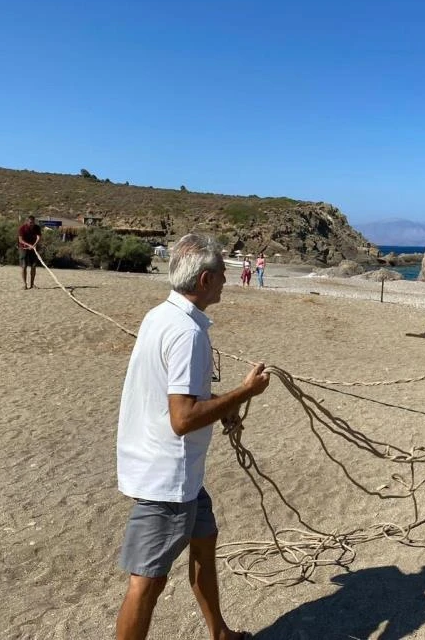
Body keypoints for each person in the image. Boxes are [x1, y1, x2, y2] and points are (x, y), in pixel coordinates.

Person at [115, 233, 271, 639]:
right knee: (147, 583)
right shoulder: (188, 333)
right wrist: (245, 392)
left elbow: (179, 396)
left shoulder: (159, 316)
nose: (225, 281)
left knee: (205, 540)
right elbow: (183, 419)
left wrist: (225, 405)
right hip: (167, 478)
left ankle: (219, 632)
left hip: (177, 471)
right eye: (221, 274)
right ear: (204, 280)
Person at [17, 215, 42, 290]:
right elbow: (21, 240)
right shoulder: (22, 228)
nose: (32, 224)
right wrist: (29, 245)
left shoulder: (37, 227)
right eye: (31, 222)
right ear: (27, 222)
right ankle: (25, 284)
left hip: (33, 248)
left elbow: (39, 237)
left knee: (33, 266)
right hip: (24, 248)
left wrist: (34, 245)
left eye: (33, 222)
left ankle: (32, 284)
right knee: (24, 266)